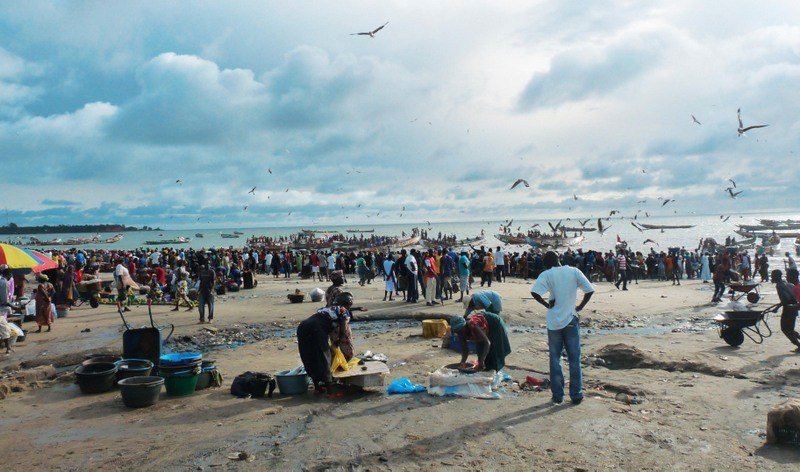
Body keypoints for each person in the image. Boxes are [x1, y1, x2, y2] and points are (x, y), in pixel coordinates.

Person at [531, 251, 595, 405]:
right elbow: (589, 290)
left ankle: (558, 395)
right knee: (574, 359)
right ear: (558, 259)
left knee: (555, 359)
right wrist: (580, 306)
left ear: (547, 263)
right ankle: (576, 395)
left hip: (553, 322)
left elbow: (534, 292)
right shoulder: (574, 271)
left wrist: (547, 304)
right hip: (570, 319)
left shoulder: (547, 274)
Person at [296, 292, 356, 395]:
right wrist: (338, 342)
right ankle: (330, 391)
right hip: (316, 329)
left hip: (303, 327)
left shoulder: (326, 308)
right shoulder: (343, 310)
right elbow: (343, 330)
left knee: (309, 356)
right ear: (348, 303)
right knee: (324, 357)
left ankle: (317, 387)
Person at [772, 269, 800, 351]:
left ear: (776, 277)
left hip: (789, 309)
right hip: (791, 308)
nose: (772, 278)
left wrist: (777, 308)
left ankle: (799, 345)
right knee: (789, 329)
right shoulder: (783, 283)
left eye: (773, 276)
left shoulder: (779, 286)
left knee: (786, 329)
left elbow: (785, 299)